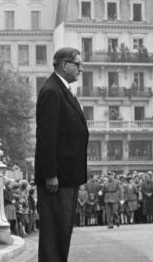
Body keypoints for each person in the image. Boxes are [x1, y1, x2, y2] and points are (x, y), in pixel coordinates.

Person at [34, 47, 90, 262]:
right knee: (55, 232)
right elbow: (46, 137)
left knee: (62, 231)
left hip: (67, 176)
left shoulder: (61, 89)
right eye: (78, 64)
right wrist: (50, 174)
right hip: (57, 178)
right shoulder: (52, 91)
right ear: (64, 65)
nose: (81, 69)